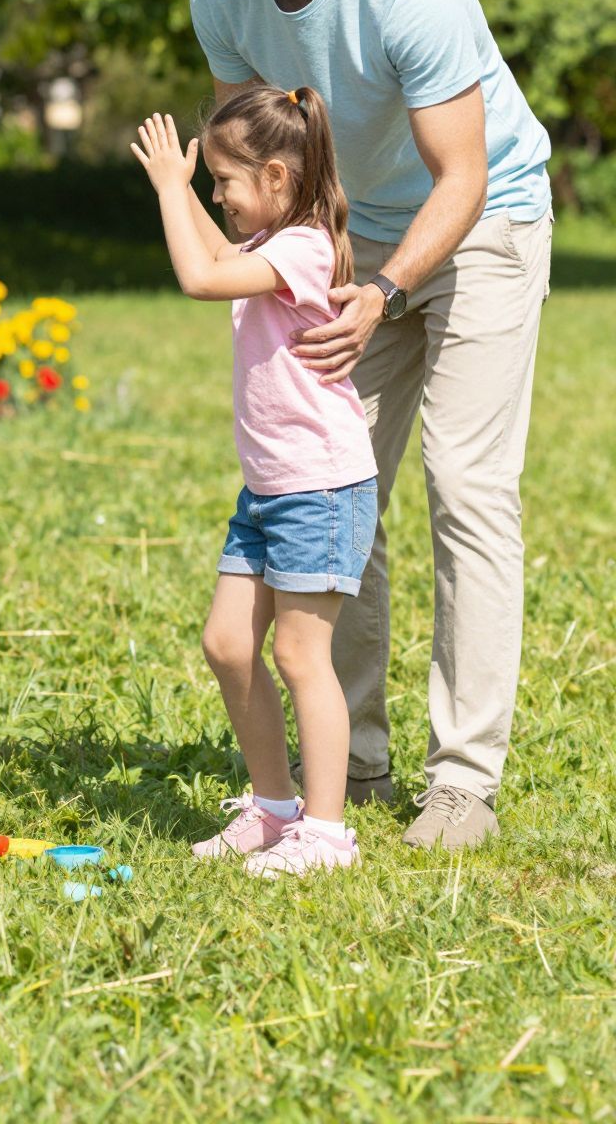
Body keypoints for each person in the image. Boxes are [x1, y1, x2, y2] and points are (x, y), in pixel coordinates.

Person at [171, 0, 552, 850]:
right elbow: (257, 162)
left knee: (467, 488)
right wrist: (286, 276)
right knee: (334, 483)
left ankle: (463, 781)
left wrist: (380, 291)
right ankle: (360, 762)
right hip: (349, 239)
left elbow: (463, 175)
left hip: (483, 222)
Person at [133, 97, 377, 878]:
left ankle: (327, 833)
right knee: (228, 644)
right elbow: (217, 253)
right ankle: (274, 810)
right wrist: (180, 189)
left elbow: (201, 277)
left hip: (320, 487)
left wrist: (170, 188)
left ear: (276, 177)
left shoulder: (305, 246)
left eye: (224, 181)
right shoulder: (271, 241)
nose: (216, 196)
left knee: (302, 655)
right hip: (270, 489)